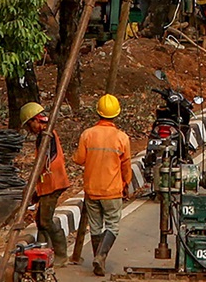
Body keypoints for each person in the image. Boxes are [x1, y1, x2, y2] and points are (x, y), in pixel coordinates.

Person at [73, 94, 132, 277]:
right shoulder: (122, 138)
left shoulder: (87, 135)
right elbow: (126, 165)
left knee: (96, 227)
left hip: (92, 190)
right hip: (112, 191)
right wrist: (126, 184)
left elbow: (79, 159)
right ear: (116, 114)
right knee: (112, 226)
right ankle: (101, 256)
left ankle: (99, 260)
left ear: (97, 112)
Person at [21, 103, 70, 266]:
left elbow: (43, 163)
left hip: (53, 182)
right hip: (48, 182)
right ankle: (43, 252)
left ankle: (61, 254)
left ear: (36, 120)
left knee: (46, 221)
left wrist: (32, 185)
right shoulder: (45, 134)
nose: (30, 129)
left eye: (30, 125)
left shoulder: (46, 135)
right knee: (40, 220)